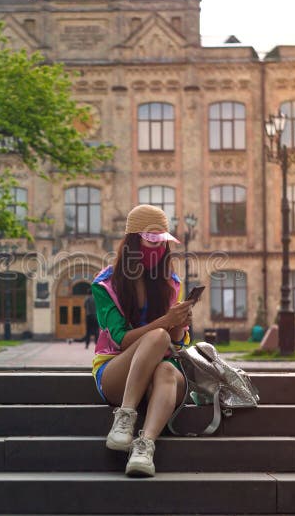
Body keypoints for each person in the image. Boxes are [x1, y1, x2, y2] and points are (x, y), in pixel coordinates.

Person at [91, 204, 194, 477]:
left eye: (162, 244)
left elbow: (176, 343)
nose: (158, 250)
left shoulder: (171, 283)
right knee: (157, 335)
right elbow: (122, 341)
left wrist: (179, 324)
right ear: (133, 242)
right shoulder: (106, 284)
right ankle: (125, 417)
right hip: (116, 371)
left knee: (167, 367)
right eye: (151, 243)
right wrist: (165, 323)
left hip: (162, 374)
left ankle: (144, 447)